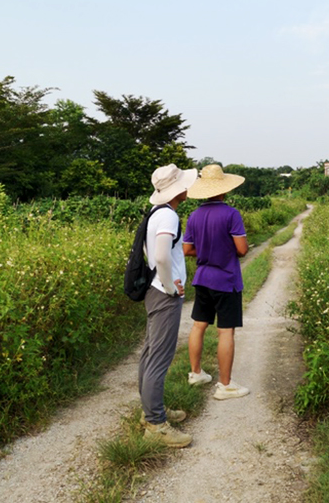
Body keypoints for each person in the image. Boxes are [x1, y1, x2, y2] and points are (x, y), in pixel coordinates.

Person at [139, 164, 198, 447]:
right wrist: (170, 285)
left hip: (153, 290)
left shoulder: (155, 213)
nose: (188, 187)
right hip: (164, 295)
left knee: (150, 353)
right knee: (159, 357)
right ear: (177, 190)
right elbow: (161, 255)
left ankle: (151, 411)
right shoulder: (169, 217)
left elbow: (148, 251)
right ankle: (155, 424)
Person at [183, 164, 250, 400]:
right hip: (226, 279)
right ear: (224, 189)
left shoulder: (194, 215)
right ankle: (225, 385)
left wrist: (206, 250)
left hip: (202, 278)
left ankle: (196, 373)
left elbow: (187, 249)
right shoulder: (231, 214)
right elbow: (242, 249)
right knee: (225, 331)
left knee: (198, 325)